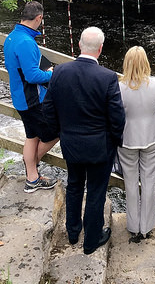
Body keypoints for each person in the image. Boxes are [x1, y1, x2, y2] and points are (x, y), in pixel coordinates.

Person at [42, 26, 125, 255]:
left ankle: (72, 231)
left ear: (79, 45)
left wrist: (61, 131)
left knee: (75, 185)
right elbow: (117, 118)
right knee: (97, 191)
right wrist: (114, 142)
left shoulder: (60, 72)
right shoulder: (108, 77)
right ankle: (91, 240)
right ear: (100, 49)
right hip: (100, 146)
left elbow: (48, 109)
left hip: (71, 143)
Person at [3, 1, 58, 193]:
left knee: (32, 136)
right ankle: (32, 172)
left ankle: (32, 177)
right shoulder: (26, 42)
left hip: (20, 97)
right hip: (32, 100)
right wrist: (53, 74)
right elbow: (32, 76)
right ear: (38, 18)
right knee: (55, 131)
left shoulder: (12, 37)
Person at [118, 46, 155, 241]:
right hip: (152, 136)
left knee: (130, 182)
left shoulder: (119, 86)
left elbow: (116, 112)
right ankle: (147, 227)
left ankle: (133, 225)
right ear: (146, 62)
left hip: (127, 138)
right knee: (149, 180)